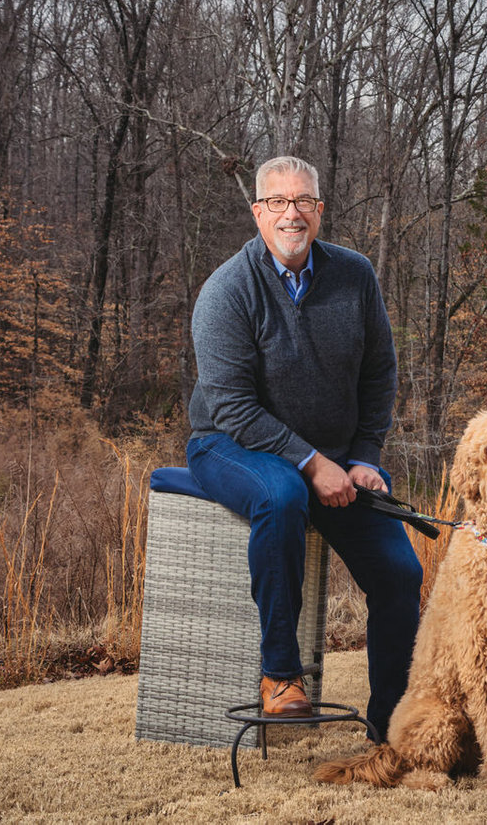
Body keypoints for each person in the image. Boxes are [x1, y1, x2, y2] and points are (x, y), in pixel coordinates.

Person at [185, 155, 420, 736]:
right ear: (258, 213)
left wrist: (364, 457)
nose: (292, 215)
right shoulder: (227, 291)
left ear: (320, 209)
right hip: (227, 444)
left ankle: (395, 725)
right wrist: (313, 464)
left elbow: (379, 374)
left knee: (400, 573)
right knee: (282, 491)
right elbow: (234, 409)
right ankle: (281, 677)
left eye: (303, 203)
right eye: (278, 204)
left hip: (336, 457)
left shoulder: (355, 274)